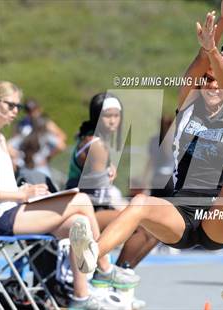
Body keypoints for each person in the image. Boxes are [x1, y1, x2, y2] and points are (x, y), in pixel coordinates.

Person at [70, 1, 223, 305]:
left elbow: (222, 77)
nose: (212, 85)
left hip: (215, 218)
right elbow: (200, 60)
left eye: (219, 81)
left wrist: (215, 51)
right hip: (180, 217)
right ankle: (93, 255)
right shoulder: (188, 104)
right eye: (206, 79)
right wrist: (220, 26)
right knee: (141, 201)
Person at [0, 81, 139, 309]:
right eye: (10, 105)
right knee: (82, 201)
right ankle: (105, 269)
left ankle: (80, 298)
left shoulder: (2, 140)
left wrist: (28, 193)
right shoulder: (92, 143)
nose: (15, 111)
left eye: (18, 106)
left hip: (13, 209)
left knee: (78, 224)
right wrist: (21, 194)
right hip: (2, 217)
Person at [66, 92, 158, 268]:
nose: (113, 120)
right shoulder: (96, 145)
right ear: (97, 116)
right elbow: (97, 194)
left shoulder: (95, 140)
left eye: (116, 115)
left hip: (93, 206)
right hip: (85, 211)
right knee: (145, 226)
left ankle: (120, 274)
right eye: (107, 115)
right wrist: (125, 208)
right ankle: (114, 276)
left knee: (150, 224)